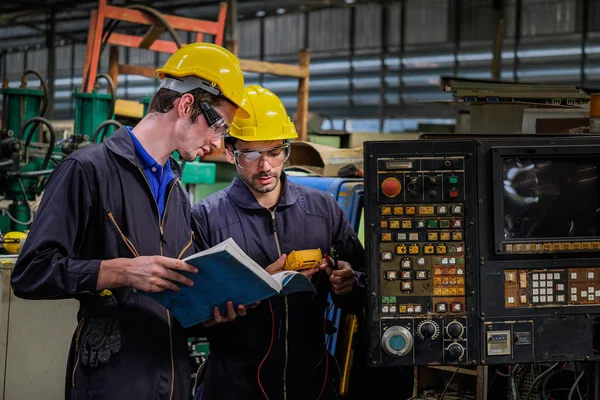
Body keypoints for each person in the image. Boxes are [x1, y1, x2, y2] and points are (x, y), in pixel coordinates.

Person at [10, 43, 251, 400]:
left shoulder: (176, 189)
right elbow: (30, 272)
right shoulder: (88, 170)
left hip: (171, 380)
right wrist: (119, 272)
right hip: (111, 382)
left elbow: (176, 291)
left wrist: (213, 311)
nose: (218, 142)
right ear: (186, 106)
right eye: (219, 125)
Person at [190, 85, 366, 400]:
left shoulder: (323, 210)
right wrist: (251, 290)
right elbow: (189, 314)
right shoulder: (205, 218)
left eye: (275, 152)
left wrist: (350, 286)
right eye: (252, 154)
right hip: (234, 388)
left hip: (312, 384)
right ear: (231, 152)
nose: (266, 166)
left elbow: (372, 290)